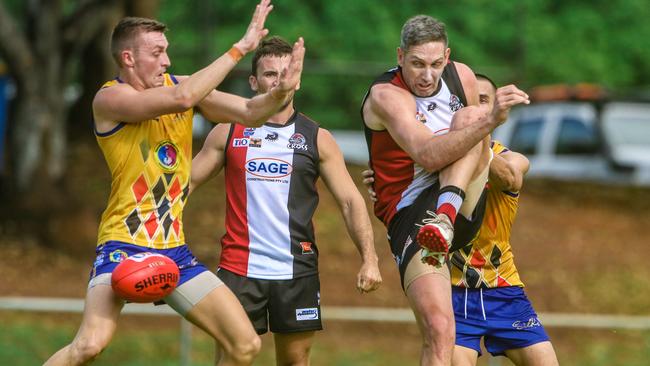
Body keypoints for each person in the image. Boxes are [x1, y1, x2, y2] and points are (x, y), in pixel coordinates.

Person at [44, 1, 305, 365]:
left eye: (167, 51)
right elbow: (182, 98)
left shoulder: (183, 86)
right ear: (128, 58)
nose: (167, 61)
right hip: (123, 246)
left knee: (245, 345)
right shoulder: (110, 97)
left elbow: (249, 113)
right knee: (89, 345)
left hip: (174, 251)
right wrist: (240, 48)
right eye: (157, 52)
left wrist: (280, 93)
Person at [191, 36, 382, 366]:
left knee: (295, 361)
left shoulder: (316, 138)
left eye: (285, 72)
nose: (278, 81)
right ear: (254, 81)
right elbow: (185, 184)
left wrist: (370, 258)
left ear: (297, 77)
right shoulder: (227, 132)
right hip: (239, 270)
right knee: (234, 356)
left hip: (296, 271)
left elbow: (351, 201)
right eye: (269, 74)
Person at [360, 15, 529, 366]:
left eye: (436, 64)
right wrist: (489, 119)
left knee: (469, 119)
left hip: (456, 208)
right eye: (417, 64)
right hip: (412, 215)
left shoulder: (462, 76)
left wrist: (484, 125)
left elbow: (480, 144)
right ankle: (442, 216)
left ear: (448, 57)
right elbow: (426, 154)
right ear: (400, 56)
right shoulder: (386, 95)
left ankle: (447, 213)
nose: (427, 75)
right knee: (439, 329)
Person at [449, 74, 559, 366]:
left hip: (504, 288)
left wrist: (478, 135)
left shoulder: (511, 157)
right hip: (451, 289)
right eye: (469, 101)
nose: (476, 107)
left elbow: (511, 177)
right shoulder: (440, 159)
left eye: (484, 101)